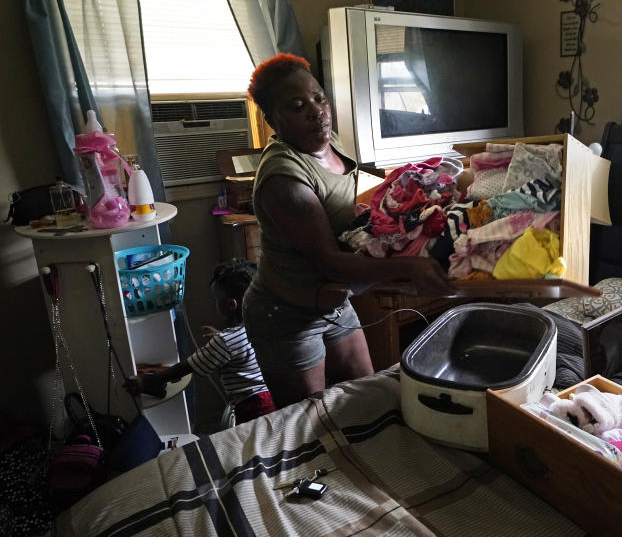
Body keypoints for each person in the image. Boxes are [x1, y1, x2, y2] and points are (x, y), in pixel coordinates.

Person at [242, 53, 453, 408]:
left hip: (336, 303)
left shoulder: (326, 140)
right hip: (287, 315)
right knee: (311, 424)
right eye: (297, 106)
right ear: (272, 120)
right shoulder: (284, 180)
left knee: (368, 399)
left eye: (319, 99)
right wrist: (410, 268)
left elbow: (349, 203)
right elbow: (331, 263)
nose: (317, 111)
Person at [125, 259, 276, 425]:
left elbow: (188, 366)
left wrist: (150, 380)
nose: (215, 302)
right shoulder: (259, 326)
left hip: (253, 407)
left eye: (216, 299)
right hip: (271, 396)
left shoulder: (226, 341)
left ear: (231, 305)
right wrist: (221, 338)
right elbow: (241, 346)